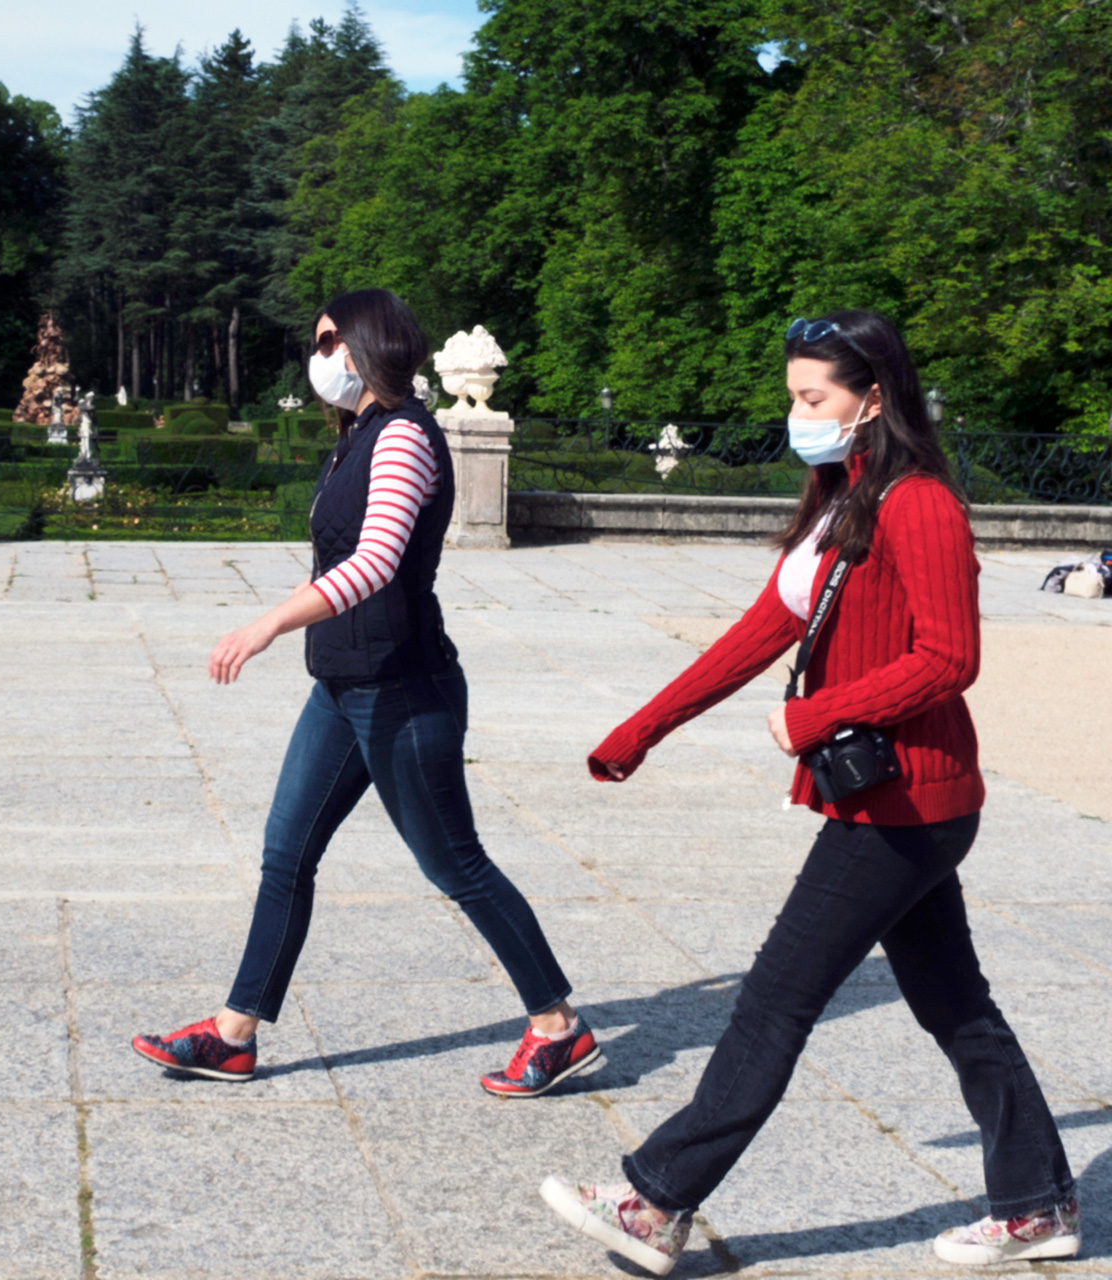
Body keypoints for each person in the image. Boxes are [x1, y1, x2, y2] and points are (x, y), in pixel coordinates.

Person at [540, 310, 1079, 1274]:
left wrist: (817, 715)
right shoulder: (844, 497)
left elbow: (951, 659)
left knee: (774, 1001)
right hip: (903, 803)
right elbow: (758, 630)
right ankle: (1036, 1203)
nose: (798, 413)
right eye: (794, 396)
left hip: (908, 803)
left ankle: (655, 1201)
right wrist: (642, 730)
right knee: (958, 1009)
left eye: (812, 397)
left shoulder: (919, 503)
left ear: (873, 398)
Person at [132, 289, 598, 1098]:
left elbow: (378, 560)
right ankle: (235, 1032)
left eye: (327, 342)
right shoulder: (356, 438)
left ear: (365, 345)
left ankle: (558, 1026)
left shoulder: (407, 439)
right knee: (287, 855)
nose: (319, 360)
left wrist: (268, 623)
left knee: (456, 865)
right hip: (343, 690)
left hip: (405, 693)